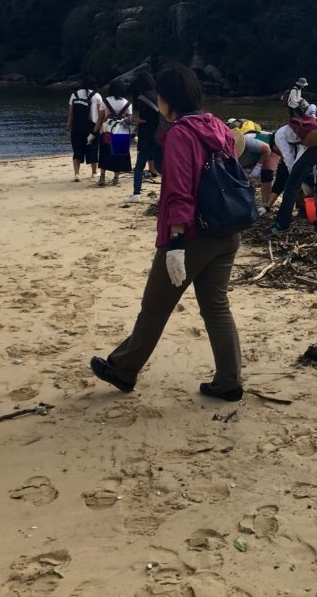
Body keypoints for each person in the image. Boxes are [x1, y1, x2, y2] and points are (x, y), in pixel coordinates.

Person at [90, 65, 245, 401]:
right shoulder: (217, 125)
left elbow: (178, 191)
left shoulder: (180, 134)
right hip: (227, 228)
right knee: (217, 307)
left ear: (166, 99)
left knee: (155, 307)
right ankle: (229, 380)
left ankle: (123, 369)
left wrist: (175, 241)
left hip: (192, 234)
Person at [269, 114, 317, 234]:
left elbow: (289, 159)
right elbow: (312, 163)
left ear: (274, 143)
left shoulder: (279, 135)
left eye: (275, 150)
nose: (277, 152)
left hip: (315, 149)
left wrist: (293, 179)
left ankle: (282, 225)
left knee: (290, 188)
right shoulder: (299, 133)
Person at [125, 70, 162, 204]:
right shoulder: (158, 95)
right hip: (159, 134)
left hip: (146, 135)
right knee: (163, 164)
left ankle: (136, 193)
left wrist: (133, 120)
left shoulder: (141, 98)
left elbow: (144, 119)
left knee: (140, 165)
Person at [94, 83, 133, 187]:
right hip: (121, 132)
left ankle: (102, 177)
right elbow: (129, 121)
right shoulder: (127, 103)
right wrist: (133, 135)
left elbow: (100, 118)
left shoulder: (105, 101)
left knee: (104, 154)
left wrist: (94, 132)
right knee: (118, 155)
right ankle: (116, 178)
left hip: (107, 132)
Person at [67, 76, 99, 181]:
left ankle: (77, 174)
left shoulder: (74, 95)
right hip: (91, 127)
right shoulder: (96, 96)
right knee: (93, 148)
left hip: (77, 126)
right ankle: (94, 172)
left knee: (77, 149)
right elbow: (100, 114)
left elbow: (71, 114)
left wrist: (70, 126)